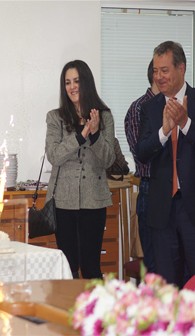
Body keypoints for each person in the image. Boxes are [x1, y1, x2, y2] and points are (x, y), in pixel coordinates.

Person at [45, 60, 115, 279]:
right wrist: (81, 135)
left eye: (76, 81)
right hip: (63, 202)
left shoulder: (104, 116)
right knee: (68, 266)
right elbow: (54, 156)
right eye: (67, 82)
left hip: (94, 201)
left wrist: (94, 134)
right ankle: (68, 311)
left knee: (91, 266)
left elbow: (108, 160)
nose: (72, 86)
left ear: (86, 82)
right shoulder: (55, 117)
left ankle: (95, 312)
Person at [137, 41, 195, 288]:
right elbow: (141, 152)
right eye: (155, 71)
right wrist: (163, 131)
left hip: (191, 207)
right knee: (167, 287)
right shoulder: (149, 107)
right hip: (162, 209)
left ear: (181, 68)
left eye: (164, 70)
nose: (158, 77)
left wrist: (186, 124)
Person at [124, 59, 159, 273]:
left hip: (178, 190)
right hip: (151, 187)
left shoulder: (178, 104)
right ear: (156, 75)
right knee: (154, 261)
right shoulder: (139, 108)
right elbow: (142, 154)